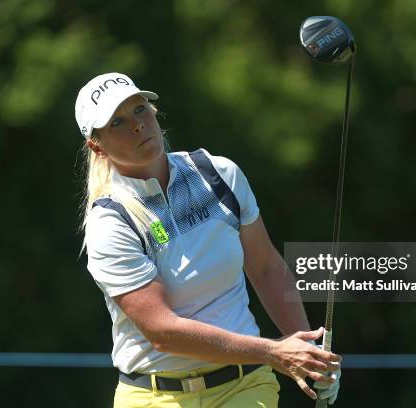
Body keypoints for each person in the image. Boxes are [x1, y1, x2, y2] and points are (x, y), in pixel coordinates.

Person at [75, 72, 341, 407]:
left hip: (245, 386)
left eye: (140, 109)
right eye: (117, 122)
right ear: (96, 145)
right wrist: (273, 352)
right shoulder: (110, 222)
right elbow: (162, 331)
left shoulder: (219, 173)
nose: (137, 125)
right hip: (154, 395)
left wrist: (310, 353)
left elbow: (265, 268)